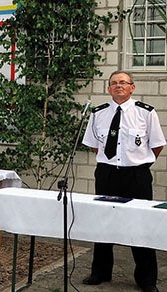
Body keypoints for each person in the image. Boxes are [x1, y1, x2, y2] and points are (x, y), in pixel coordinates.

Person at [80, 71, 164, 292]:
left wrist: (139, 163)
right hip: (108, 174)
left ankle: (146, 279)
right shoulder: (98, 113)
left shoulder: (145, 113)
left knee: (141, 224)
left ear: (132, 87)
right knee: (103, 222)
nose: (118, 86)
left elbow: (156, 145)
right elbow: (93, 144)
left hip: (136, 175)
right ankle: (100, 272)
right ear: (109, 88)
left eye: (123, 83)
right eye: (114, 83)